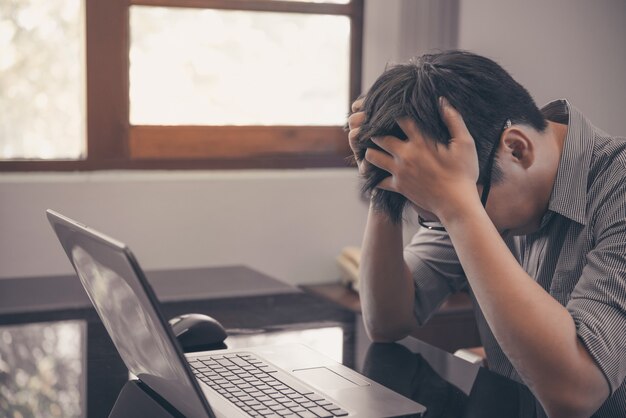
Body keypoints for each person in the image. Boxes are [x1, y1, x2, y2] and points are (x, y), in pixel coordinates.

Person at [347, 50, 626, 418]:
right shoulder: (469, 186)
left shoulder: (615, 188)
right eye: (437, 217)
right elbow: (387, 321)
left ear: (516, 149)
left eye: (450, 210)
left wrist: (458, 208)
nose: (447, 225)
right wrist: (385, 181)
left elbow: (575, 395)